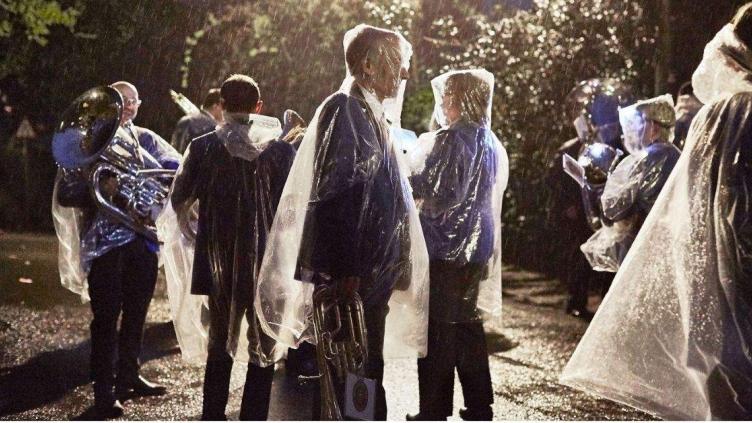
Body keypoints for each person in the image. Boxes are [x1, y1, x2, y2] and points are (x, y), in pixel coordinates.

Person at [560, 4, 752, 419]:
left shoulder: (721, 115)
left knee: (724, 383)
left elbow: (695, 204)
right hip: (733, 269)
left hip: (724, 278)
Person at [253, 24, 430, 421]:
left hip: (369, 271)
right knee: (349, 371)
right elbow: (337, 195)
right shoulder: (346, 108)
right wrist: (347, 269)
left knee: (361, 369)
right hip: (354, 273)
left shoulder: (368, 111)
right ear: (368, 65)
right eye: (396, 63)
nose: (403, 74)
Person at [167, 74, 296, 420]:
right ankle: (253, 416)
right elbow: (295, 210)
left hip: (217, 262)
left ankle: (213, 415)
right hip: (267, 265)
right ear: (259, 107)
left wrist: (198, 229)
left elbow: (178, 199)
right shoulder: (281, 151)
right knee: (264, 345)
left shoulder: (203, 147)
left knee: (220, 344)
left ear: (221, 107)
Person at [53, 81, 179, 418]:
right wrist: (97, 187)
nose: (126, 105)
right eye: (120, 100)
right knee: (106, 319)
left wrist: (152, 187)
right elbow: (65, 194)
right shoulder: (88, 141)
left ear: (139, 105)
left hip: (142, 241)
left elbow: (175, 171)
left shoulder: (147, 139)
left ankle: (129, 375)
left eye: (132, 100)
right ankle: (104, 392)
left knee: (137, 315)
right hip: (105, 246)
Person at [404, 69, 508, 421]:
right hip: (476, 247)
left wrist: (409, 171)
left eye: (448, 95)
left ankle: (433, 409)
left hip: (444, 247)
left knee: (437, 330)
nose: (443, 102)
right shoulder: (488, 140)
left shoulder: (449, 140)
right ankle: (480, 402)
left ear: (459, 99)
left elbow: (438, 190)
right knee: (466, 322)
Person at [580, 95, 680, 272]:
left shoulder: (645, 159)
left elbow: (614, 211)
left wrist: (602, 185)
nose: (632, 130)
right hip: (671, 244)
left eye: (639, 124)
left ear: (654, 128)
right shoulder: (677, 155)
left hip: (643, 247)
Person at [171, 88, 222, 154]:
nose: (225, 111)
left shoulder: (185, 119)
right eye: (224, 107)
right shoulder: (213, 127)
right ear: (216, 106)